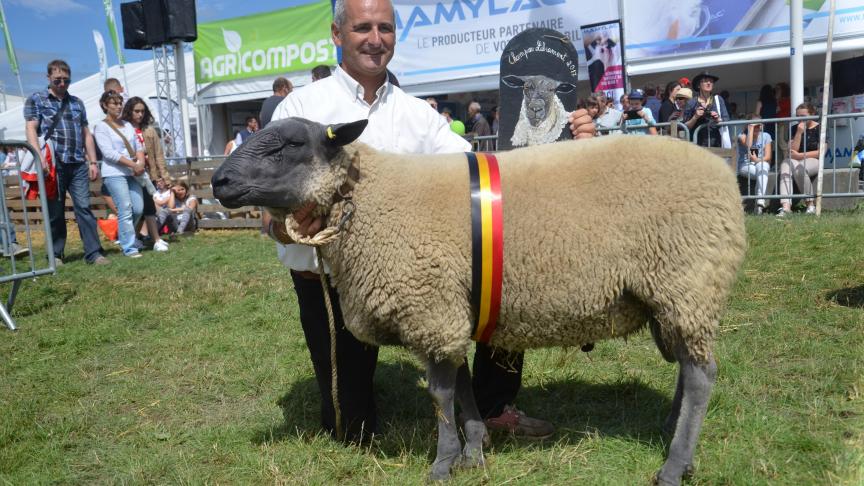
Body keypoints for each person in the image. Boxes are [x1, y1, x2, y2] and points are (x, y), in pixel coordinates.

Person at [267, 0, 595, 443]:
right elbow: (265, 189)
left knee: (503, 279)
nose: (375, 38)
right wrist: (285, 223)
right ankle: (356, 402)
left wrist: (567, 146)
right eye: (363, 27)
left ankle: (493, 405)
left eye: (385, 28)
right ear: (336, 33)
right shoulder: (300, 109)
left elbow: (481, 170)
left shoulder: (418, 115)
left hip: (415, 275)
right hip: (329, 275)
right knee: (349, 428)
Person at [24, 59, 109, 265]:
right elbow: (31, 129)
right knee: (55, 210)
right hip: (53, 164)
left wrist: (93, 162)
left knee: (84, 208)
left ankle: (94, 253)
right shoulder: (36, 99)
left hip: (78, 162)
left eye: (66, 80)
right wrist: (39, 157)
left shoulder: (77, 103)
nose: (62, 84)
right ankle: (55, 254)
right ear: (48, 78)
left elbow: (86, 133)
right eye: (57, 80)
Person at [93, 90, 146, 258]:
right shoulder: (101, 127)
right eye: (114, 103)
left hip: (132, 172)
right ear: (104, 105)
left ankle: (125, 236)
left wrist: (141, 163)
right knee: (125, 208)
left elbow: (138, 146)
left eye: (120, 102)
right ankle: (129, 247)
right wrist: (133, 164)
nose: (118, 106)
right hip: (114, 173)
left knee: (138, 208)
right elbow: (109, 153)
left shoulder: (128, 125)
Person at [122, 96, 170, 252]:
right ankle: (132, 238)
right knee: (134, 208)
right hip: (129, 173)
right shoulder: (123, 128)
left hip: (149, 174)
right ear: (129, 111)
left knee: (149, 206)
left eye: (142, 111)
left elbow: (159, 154)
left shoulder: (149, 130)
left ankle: (156, 239)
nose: (140, 114)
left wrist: (164, 176)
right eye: (136, 111)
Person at [778, 102, 823, 216]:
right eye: (798, 117)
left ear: (812, 114)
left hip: (813, 160)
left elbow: (821, 151)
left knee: (799, 169)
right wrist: (799, 133)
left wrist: (800, 156)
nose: (800, 120)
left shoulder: (820, 127)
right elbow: (791, 151)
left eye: (803, 117)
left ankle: (810, 205)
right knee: (785, 165)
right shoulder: (794, 128)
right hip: (796, 159)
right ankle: (786, 207)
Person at [736, 115, 773, 214]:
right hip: (745, 165)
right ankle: (760, 201)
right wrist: (751, 128)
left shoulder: (766, 136)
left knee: (763, 167)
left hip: (760, 163)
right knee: (761, 172)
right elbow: (748, 144)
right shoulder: (742, 135)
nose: (757, 127)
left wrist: (757, 160)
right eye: (754, 125)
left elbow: (768, 156)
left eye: (759, 125)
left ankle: (760, 201)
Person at [684, 71, 729, 147]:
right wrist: (695, 117)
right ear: (698, 85)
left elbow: (726, 119)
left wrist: (718, 119)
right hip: (697, 145)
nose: (709, 83)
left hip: (717, 143)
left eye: (711, 81)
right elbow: (685, 127)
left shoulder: (718, 100)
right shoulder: (691, 103)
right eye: (705, 81)